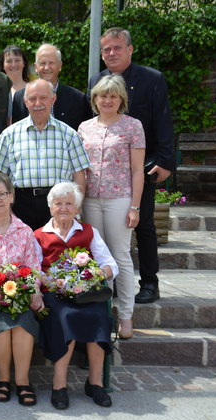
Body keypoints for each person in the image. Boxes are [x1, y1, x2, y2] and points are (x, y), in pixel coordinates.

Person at [89, 27, 176, 304]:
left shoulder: (152, 79)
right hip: (107, 174)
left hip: (143, 167)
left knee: (145, 225)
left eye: (117, 47)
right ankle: (109, 282)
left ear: (130, 49)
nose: (111, 53)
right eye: (106, 50)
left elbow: (163, 120)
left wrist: (165, 161)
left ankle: (150, 282)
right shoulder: (97, 80)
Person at [33, 182, 119, 410]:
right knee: (65, 317)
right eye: (58, 204)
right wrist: (53, 282)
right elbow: (34, 269)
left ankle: (95, 383)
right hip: (55, 294)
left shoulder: (89, 231)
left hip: (86, 294)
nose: (63, 208)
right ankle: (59, 385)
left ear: (77, 207)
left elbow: (110, 264)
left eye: (69, 203)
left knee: (99, 316)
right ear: (50, 207)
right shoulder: (39, 235)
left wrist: (96, 273)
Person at [79, 74, 145, 339]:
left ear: (121, 100)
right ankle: (100, 314)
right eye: (102, 95)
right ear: (95, 99)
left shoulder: (133, 126)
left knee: (120, 256)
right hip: (90, 200)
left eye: (113, 96)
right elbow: (80, 168)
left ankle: (126, 316)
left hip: (120, 199)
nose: (107, 100)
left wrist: (135, 207)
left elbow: (138, 170)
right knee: (95, 258)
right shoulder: (84, 127)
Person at [0, 172, 44, 406]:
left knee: (23, 324)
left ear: (11, 197)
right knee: (1, 325)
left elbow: (34, 267)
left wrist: (34, 290)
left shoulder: (24, 231)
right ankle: (3, 379)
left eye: (2, 194)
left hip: (22, 294)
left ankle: (23, 381)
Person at [0, 79, 91, 231]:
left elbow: (79, 174)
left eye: (43, 98)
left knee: (56, 253)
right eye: (32, 99)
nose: (38, 103)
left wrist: (76, 208)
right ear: (25, 102)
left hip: (59, 204)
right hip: (20, 204)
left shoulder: (69, 134)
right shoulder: (8, 135)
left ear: (53, 99)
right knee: (23, 253)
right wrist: (7, 209)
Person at [12, 44, 90, 131]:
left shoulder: (77, 99)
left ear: (60, 66)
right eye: (42, 63)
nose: (47, 67)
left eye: (51, 63)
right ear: (36, 67)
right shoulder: (19, 98)